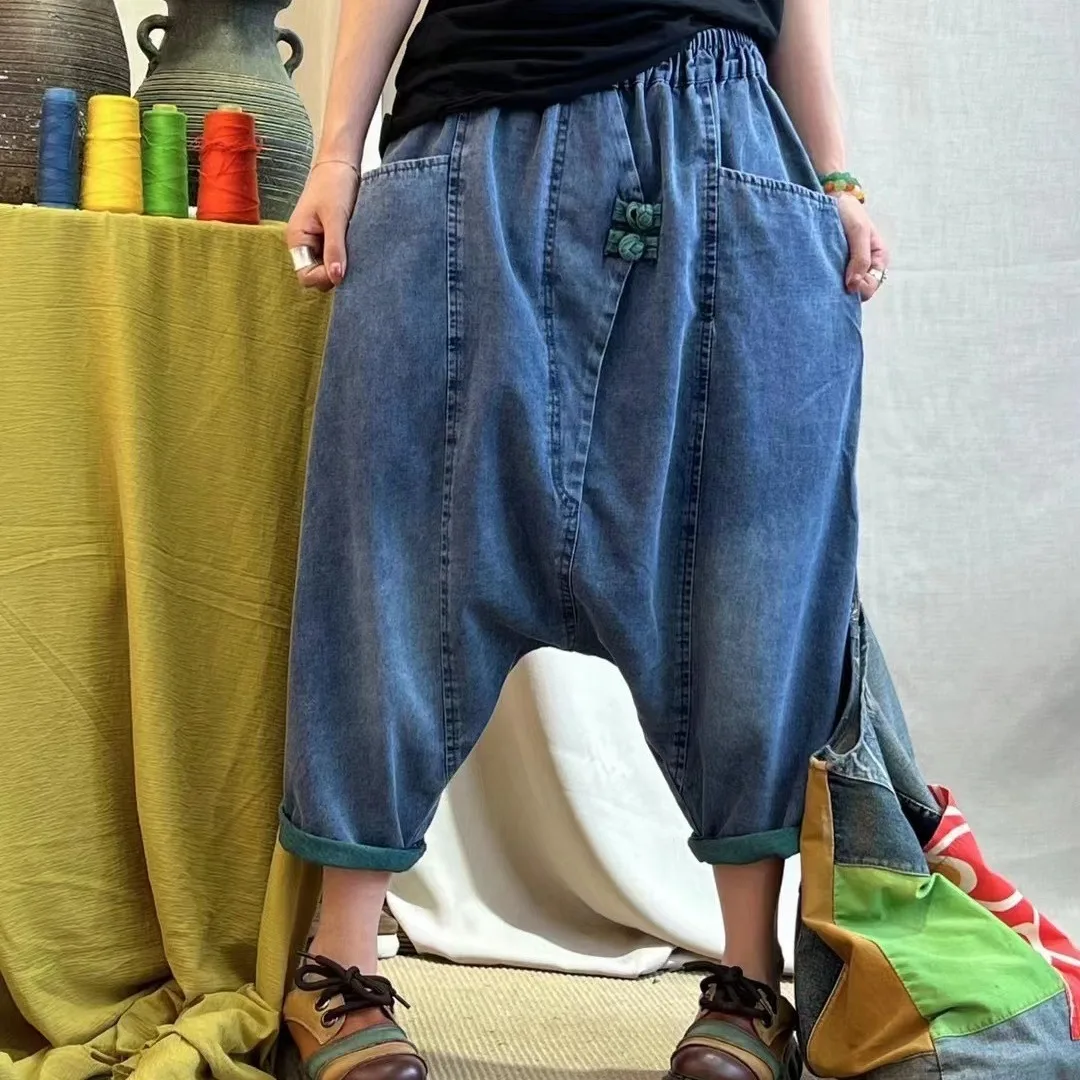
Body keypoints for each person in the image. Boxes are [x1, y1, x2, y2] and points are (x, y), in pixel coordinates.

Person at [281, 0, 889, 1077]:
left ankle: (752, 981)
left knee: (745, 573)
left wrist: (836, 179)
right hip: (467, 147)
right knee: (390, 539)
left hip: (720, 149)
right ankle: (337, 962)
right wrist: (337, 153)